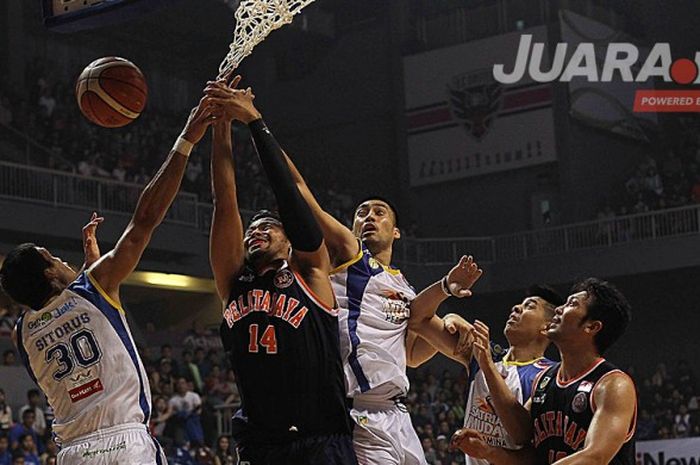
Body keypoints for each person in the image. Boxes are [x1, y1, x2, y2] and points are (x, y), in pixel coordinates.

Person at [204, 81, 482, 465]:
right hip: (353, 410)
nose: (368, 217)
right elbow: (298, 191)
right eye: (361, 213)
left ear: (397, 231)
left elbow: (414, 355)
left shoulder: (401, 285)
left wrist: (447, 314)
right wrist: (253, 124)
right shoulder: (349, 258)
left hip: (398, 411)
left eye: (378, 212)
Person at [0, 93, 220, 465]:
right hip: (125, 444)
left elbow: (71, 318)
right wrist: (187, 138)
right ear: (49, 273)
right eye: (53, 257)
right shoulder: (92, 287)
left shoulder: (22, 333)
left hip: (71, 453)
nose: (61, 258)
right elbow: (143, 222)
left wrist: (91, 271)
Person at [206, 75, 357, 464]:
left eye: (268, 227)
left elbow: (290, 197)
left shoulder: (310, 273)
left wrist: (254, 122)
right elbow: (225, 201)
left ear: (288, 241)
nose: (256, 230)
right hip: (260, 444)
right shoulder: (233, 282)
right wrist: (220, 126)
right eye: (252, 228)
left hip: (319, 438)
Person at [452, 278, 637, 465]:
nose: (558, 309)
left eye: (571, 304)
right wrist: (488, 451)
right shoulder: (545, 380)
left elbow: (594, 457)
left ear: (592, 326)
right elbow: (524, 441)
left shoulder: (612, 384)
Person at [461, 286, 564, 465]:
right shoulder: (484, 351)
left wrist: (487, 365)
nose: (516, 308)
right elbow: (422, 322)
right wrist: (449, 311)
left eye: (529, 306)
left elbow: (522, 435)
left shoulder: (551, 375)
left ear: (546, 328)